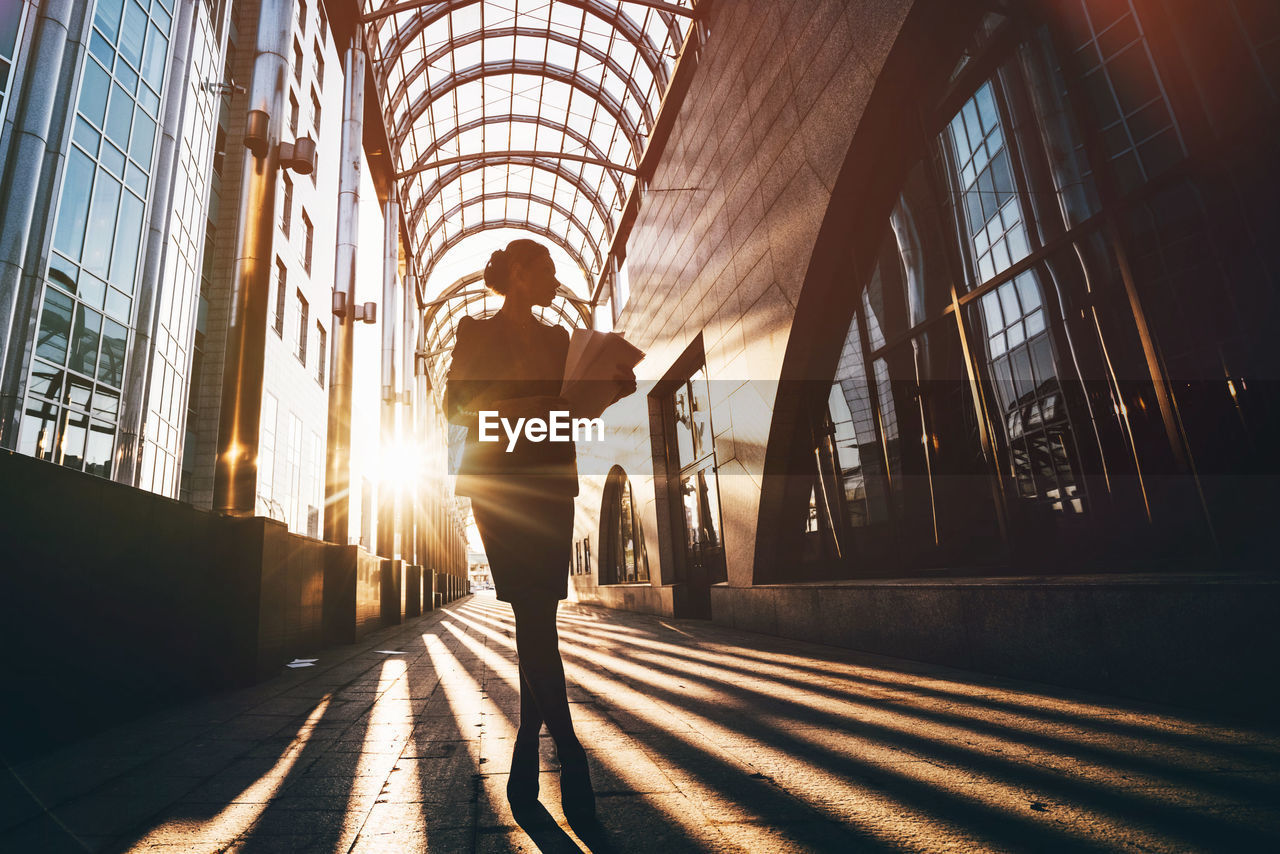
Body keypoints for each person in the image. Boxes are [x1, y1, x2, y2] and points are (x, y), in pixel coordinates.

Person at [443, 238, 636, 820]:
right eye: (547, 271)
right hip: (500, 488)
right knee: (533, 617)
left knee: (537, 619)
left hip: (549, 484)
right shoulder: (474, 332)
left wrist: (609, 387)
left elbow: (575, 406)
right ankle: (571, 753)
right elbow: (455, 406)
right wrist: (527, 404)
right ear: (520, 275)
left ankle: (529, 750)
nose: (555, 281)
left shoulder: (560, 341)